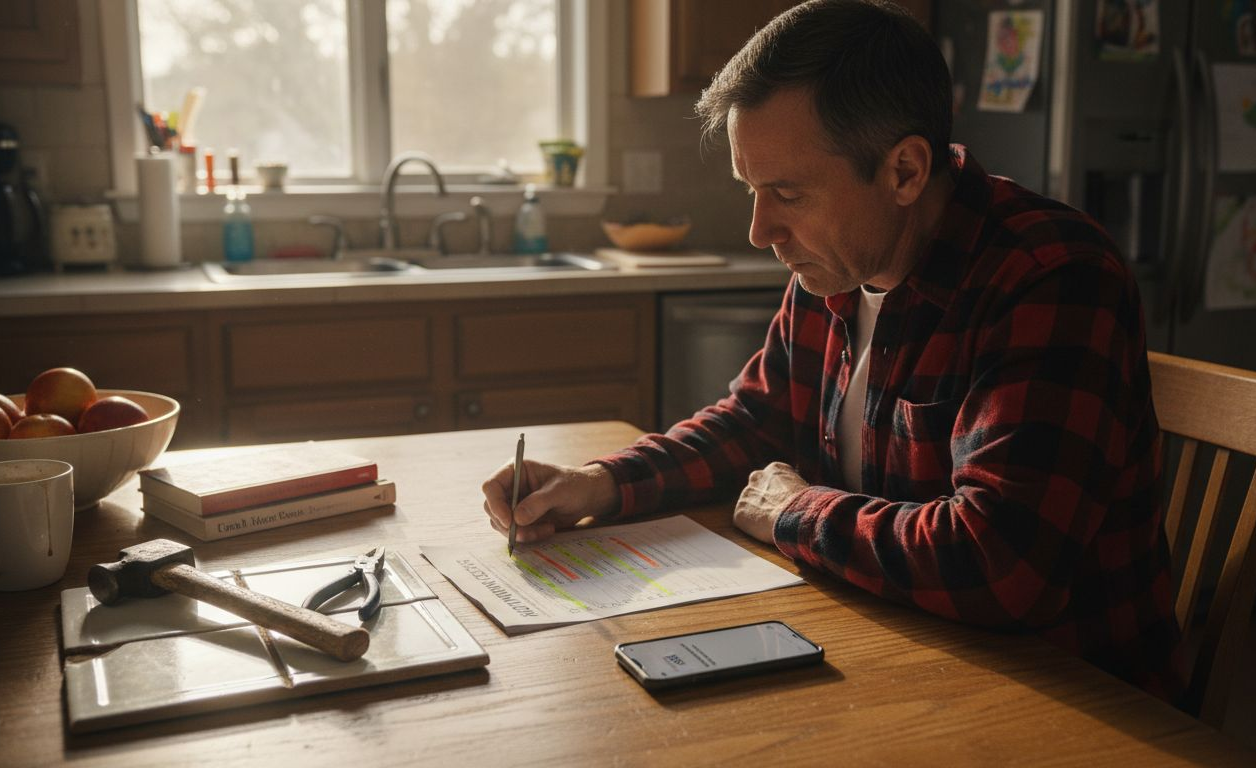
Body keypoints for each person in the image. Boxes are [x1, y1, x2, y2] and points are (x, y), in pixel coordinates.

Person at [481, 0, 1182, 699]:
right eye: (752, 190)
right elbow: (755, 420)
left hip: (1070, 699)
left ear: (905, 172)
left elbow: (1001, 564)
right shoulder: (838, 262)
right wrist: (599, 484)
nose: (759, 231)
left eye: (787, 193)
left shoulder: (1051, 276)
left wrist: (796, 511)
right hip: (895, 650)